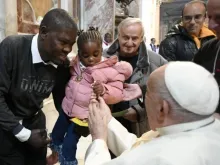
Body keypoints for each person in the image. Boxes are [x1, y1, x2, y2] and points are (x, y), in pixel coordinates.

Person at [85, 61, 220, 165]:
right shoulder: (209, 129)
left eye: (147, 93)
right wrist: (107, 121)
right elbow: (140, 149)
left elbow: (147, 156)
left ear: (162, 109)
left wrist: (98, 140)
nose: (144, 98)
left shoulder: (162, 158)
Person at [47, 28, 142, 165]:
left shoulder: (108, 69)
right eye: (86, 55)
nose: (91, 59)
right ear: (79, 53)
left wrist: (103, 89)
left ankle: (68, 162)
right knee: (56, 135)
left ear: (101, 50)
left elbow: (117, 92)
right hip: (67, 109)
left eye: (95, 54)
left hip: (82, 117)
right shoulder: (76, 64)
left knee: (69, 144)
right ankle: (56, 154)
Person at [0, 8, 78, 165]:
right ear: (44, 32)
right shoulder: (12, 48)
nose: (68, 50)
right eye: (63, 42)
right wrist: (24, 134)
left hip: (37, 129)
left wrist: (75, 125)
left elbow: (61, 102)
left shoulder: (61, 64)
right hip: (7, 128)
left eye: (71, 44)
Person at [104, 17, 167, 137]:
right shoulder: (104, 58)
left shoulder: (156, 61)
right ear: (119, 35)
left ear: (141, 38)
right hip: (108, 124)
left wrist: (140, 111)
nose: (129, 43)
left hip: (140, 127)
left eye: (134, 38)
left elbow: (165, 91)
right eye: (125, 37)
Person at [193, 0, 220, 115]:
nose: (210, 26)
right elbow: (188, 83)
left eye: (219, 18)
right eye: (209, 17)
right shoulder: (208, 50)